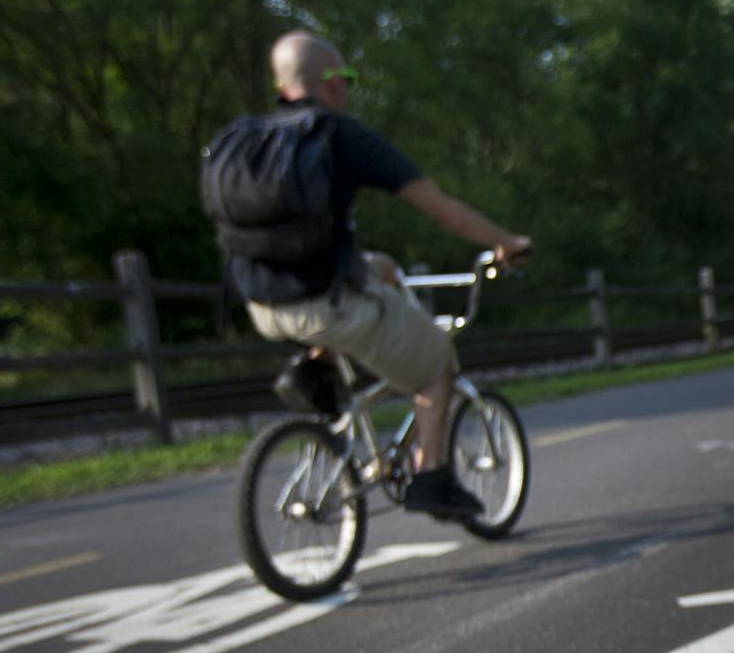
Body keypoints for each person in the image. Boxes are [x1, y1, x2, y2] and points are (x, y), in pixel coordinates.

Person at [217, 31, 531, 518]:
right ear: (332, 82)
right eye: (346, 77)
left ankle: (317, 366)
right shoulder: (341, 137)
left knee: (381, 266)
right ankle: (432, 476)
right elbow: (445, 210)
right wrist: (504, 242)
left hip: (262, 303)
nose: (347, 88)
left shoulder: (245, 138)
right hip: (323, 304)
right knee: (436, 362)